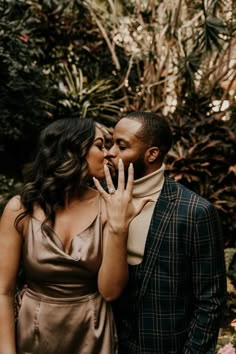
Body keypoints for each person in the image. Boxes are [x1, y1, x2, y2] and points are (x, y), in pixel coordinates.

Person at [0, 117, 150, 354]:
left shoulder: (108, 206)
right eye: (100, 145)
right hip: (34, 331)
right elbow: (3, 290)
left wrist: (118, 226)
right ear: (73, 150)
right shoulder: (20, 209)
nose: (108, 154)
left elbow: (110, 291)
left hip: (92, 333)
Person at [106, 111, 227, 354]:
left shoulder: (195, 211)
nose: (110, 151)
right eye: (111, 143)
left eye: (121, 145)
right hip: (105, 343)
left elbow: (211, 301)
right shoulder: (99, 199)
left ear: (152, 154)